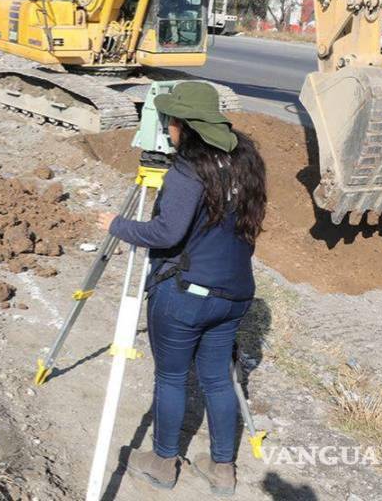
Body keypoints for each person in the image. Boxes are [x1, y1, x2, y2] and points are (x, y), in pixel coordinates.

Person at [95, 82, 267, 495]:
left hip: (186, 294)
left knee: (171, 378)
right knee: (218, 379)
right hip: (235, 293)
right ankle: (222, 468)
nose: (168, 127)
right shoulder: (246, 161)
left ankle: (161, 462)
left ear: (183, 126)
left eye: (171, 120)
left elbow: (165, 233)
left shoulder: (188, 171)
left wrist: (115, 224)